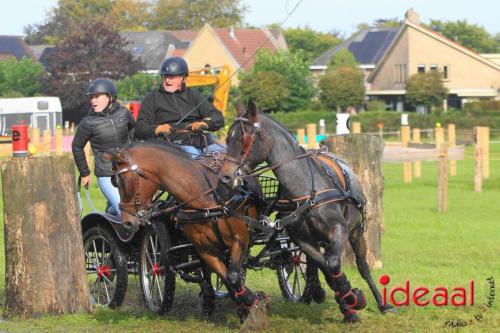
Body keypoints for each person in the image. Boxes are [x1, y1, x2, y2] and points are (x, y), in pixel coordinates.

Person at [135, 56, 225, 158]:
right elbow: (139, 129)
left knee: (227, 155)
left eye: (171, 77)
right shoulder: (152, 98)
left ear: (183, 78)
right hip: (172, 147)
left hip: (203, 144)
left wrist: (204, 124)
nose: (167, 80)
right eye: (165, 76)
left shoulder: (193, 95)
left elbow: (217, 117)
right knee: (193, 154)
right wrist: (157, 129)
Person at [72, 78, 135, 217]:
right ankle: (114, 211)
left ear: (110, 97)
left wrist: (132, 149)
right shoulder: (88, 123)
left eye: (97, 97)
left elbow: (133, 130)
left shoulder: (123, 113)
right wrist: (85, 172)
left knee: (141, 209)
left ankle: (111, 210)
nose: (93, 101)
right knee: (126, 212)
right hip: (106, 175)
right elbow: (77, 146)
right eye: (91, 98)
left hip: (129, 170)